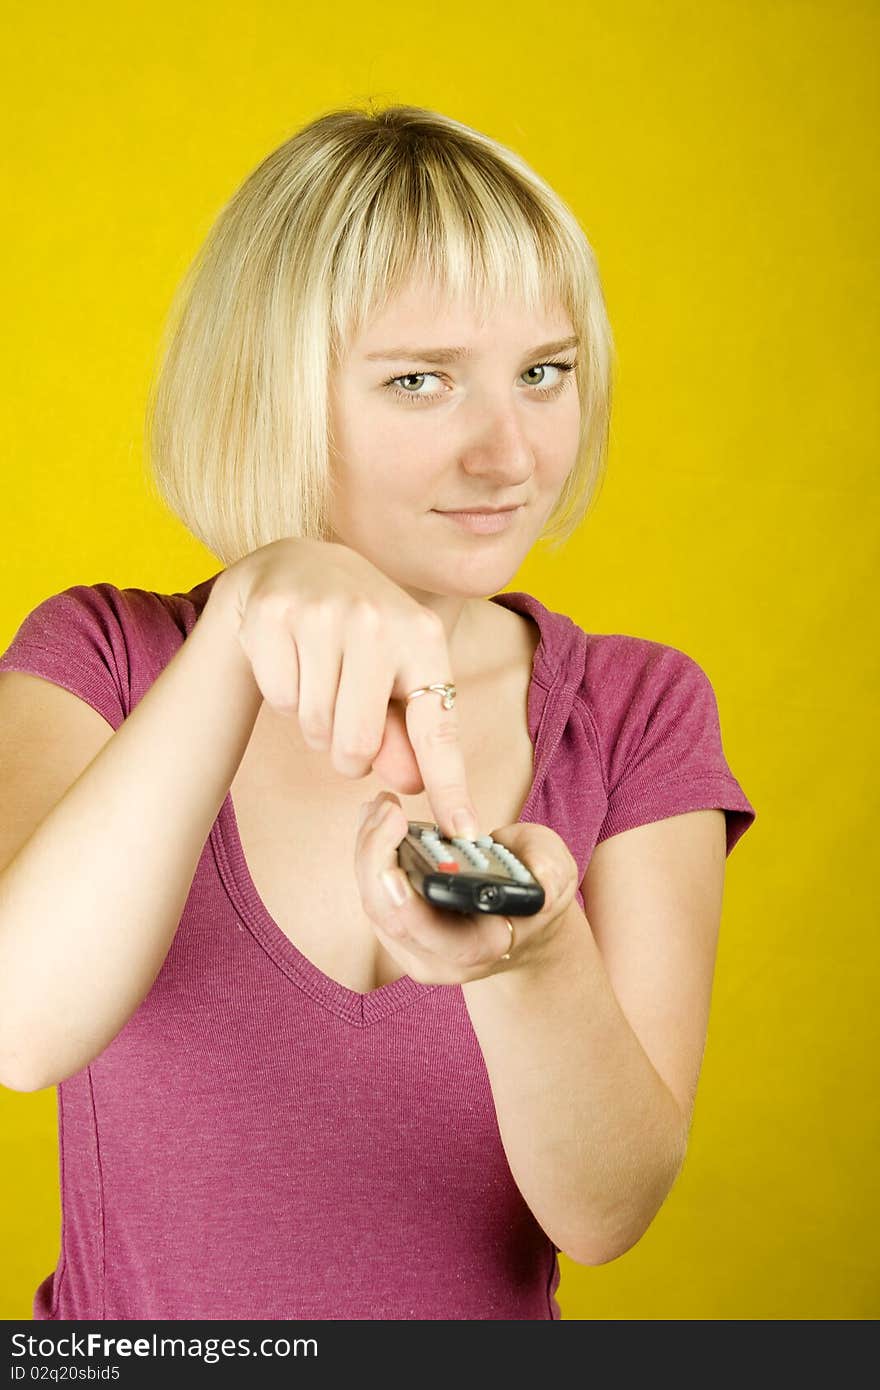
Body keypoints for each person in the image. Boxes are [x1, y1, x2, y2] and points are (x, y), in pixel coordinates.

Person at [0, 103, 756, 1322]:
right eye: (420, 381)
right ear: (270, 389)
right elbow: (19, 1029)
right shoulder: (104, 658)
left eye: (544, 374)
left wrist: (534, 955)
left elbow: (607, 1213)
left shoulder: (632, 711)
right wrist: (242, 623)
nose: (508, 454)